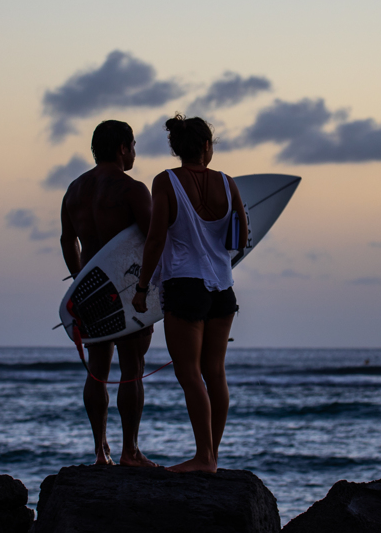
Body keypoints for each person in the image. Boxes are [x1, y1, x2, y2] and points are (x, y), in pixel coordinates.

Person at [132, 114, 246, 474]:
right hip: (223, 289)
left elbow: (155, 238)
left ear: (177, 149)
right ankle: (211, 455)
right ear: (207, 147)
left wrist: (140, 288)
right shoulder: (228, 184)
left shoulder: (165, 181)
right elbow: (241, 239)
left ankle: (204, 458)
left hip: (184, 286)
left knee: (189, 374)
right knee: (215, 373)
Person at [60, 120, 156, 467]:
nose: (134, 152)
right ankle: (130, 451)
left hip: (93, 289)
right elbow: (153, 241)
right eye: (133, 145)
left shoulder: (74, 190)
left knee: (97, 371)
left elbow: (66, 240)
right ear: (122, 149)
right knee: (132, 367)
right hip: (129, 290)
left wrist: (79, 279)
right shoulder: (132, 190)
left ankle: (101, 452)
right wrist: (152, 291)